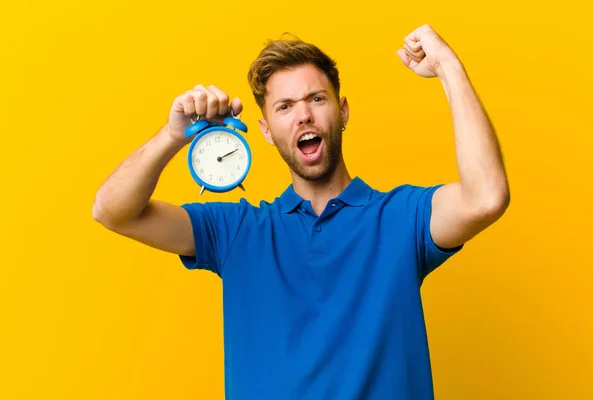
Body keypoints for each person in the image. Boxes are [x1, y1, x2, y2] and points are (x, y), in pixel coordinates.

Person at [93, 24, 510, 399]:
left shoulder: (402, 218)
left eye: (316, 98)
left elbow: (486, 197)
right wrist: (172, 135)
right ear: (266, 132)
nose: (304, 115)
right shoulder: (237, 230)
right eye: (285, 107)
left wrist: (448, 66)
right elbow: (113, 211)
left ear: (342, 111)